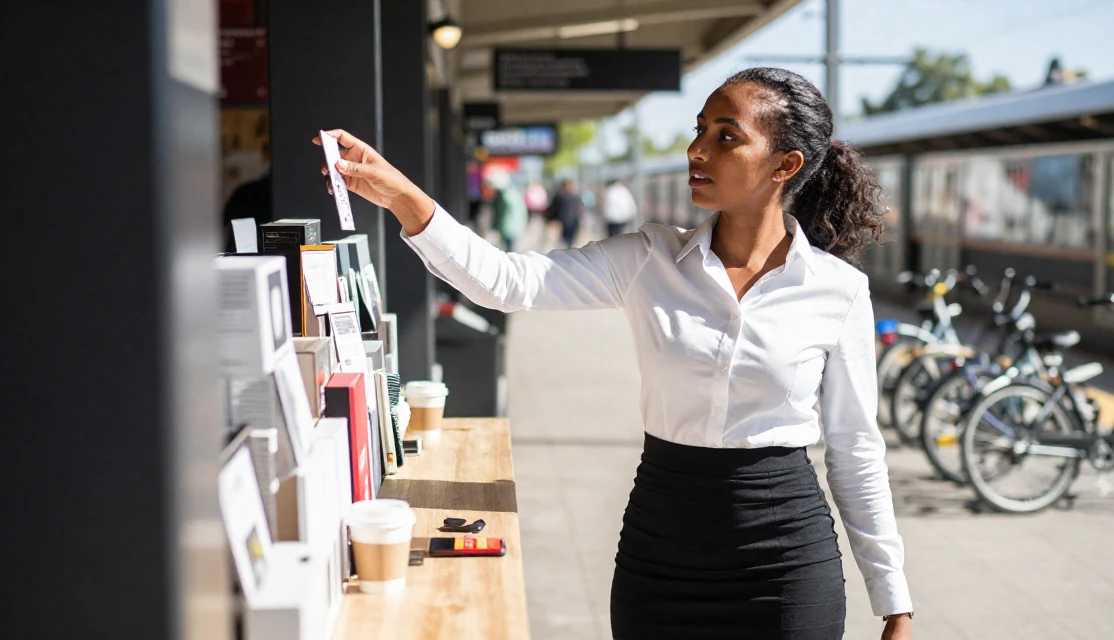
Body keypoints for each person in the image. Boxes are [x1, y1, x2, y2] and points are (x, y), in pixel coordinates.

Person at [313, 66, 912, 640]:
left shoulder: (838, 290)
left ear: (786, 164)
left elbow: (856, 449)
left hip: (783, 559)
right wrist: (399, 196)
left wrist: (894, 602)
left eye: (725, 136)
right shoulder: (648, 260)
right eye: (699, 129)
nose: (697, 150)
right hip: (662, 545)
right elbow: (505, 281)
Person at [489, 174, 528, 253]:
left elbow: (501, 212)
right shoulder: (513, 193)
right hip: (513, 226)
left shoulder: (504, 195)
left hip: (508, 227)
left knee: (509, 249)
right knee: (509, 248)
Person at [547, 178, 583, 248]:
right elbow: (553, 209)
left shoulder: (575, 197)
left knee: (570, 241)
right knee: (562, 242)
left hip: (573, 222)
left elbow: (579, 210)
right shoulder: (559, 197)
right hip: (561, 223)